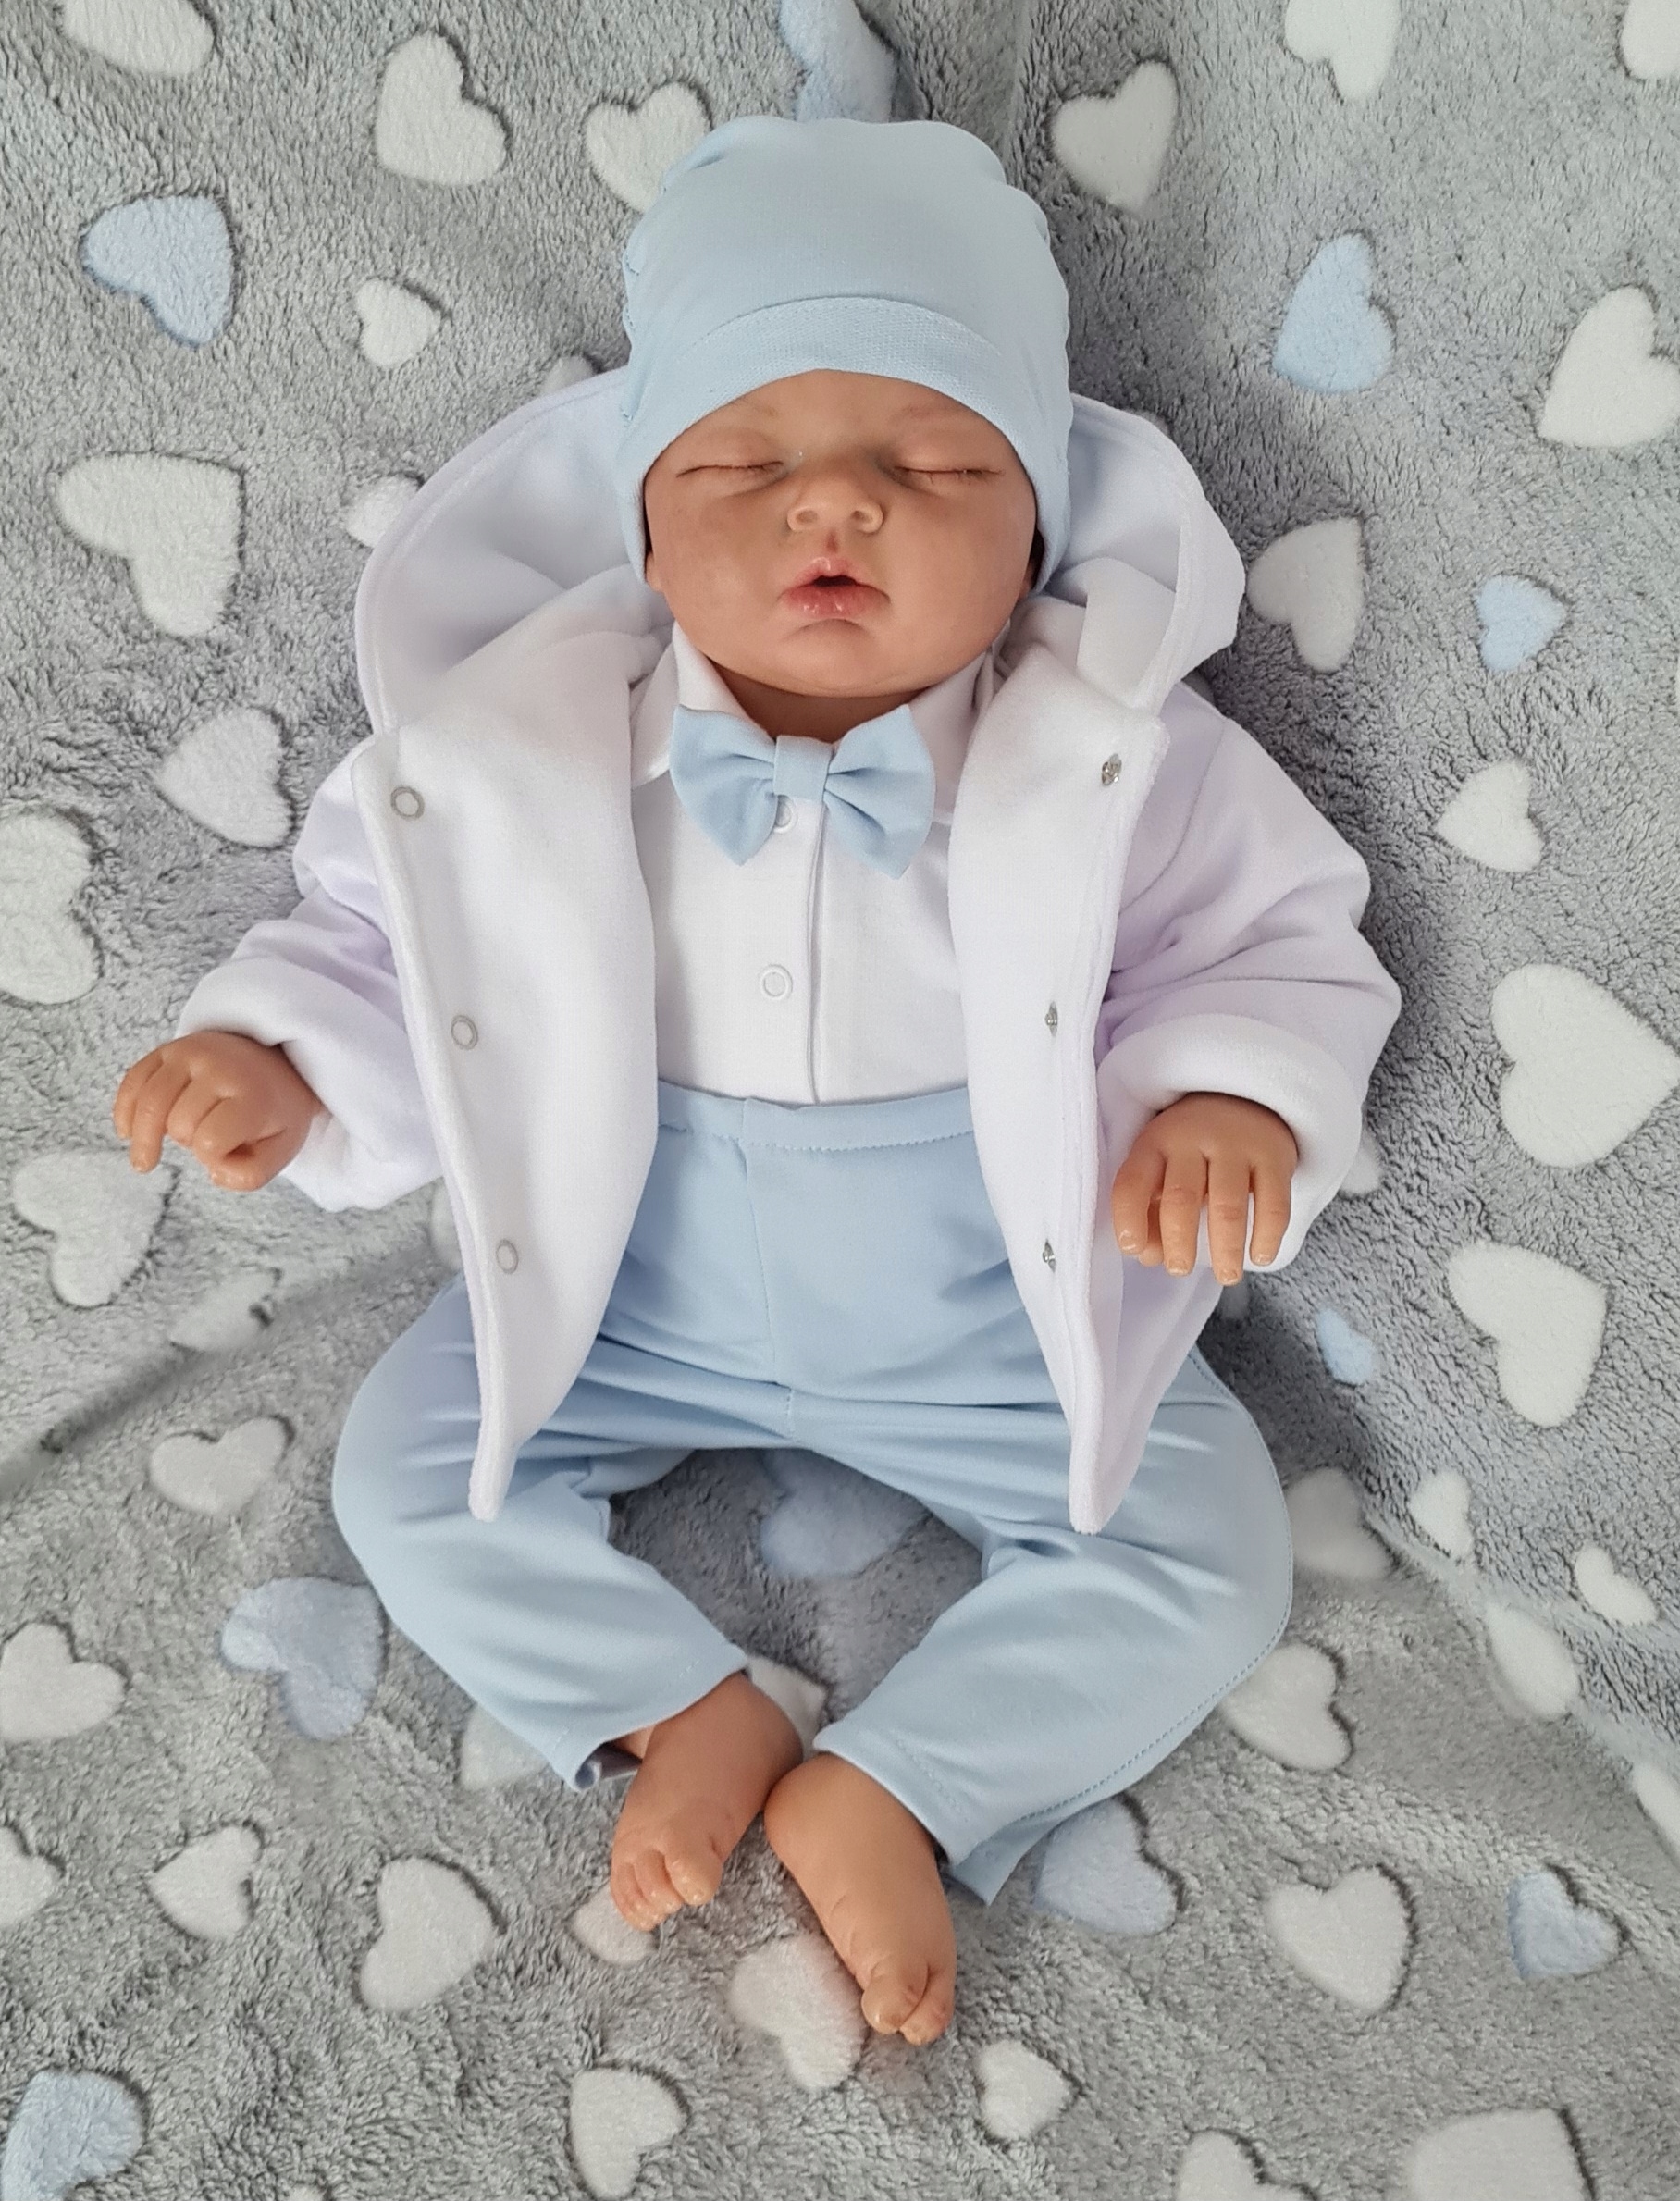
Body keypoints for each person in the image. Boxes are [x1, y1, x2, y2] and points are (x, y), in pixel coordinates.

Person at [111, 116, 1401, 2048]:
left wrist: (1232, 1096)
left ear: (1034, 535)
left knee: (1209, 1555)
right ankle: (679, 1705)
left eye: (931, 465)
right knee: (403, 1470)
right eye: (745, 463)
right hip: (631, 1302)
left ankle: (898, 1781)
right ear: (645, 526)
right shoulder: (522, 744)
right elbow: (392, 939)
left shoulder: (1115, 750)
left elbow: (1271, 936)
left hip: (989, 1325)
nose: (838, 508)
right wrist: (276, 1056)